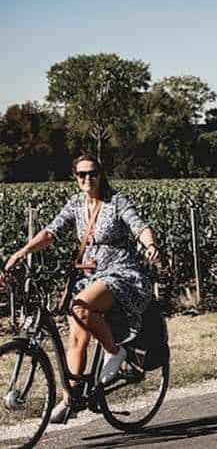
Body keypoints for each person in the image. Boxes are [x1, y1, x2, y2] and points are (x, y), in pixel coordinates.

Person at [2, 154, 159, 424]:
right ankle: (71, 400)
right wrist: (21, 253)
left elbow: (139, 226)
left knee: (80, 306)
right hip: (89, 276)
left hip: (121, 274)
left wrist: (150, 244)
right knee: (76, 335)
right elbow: (51, 232)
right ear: (75, 177)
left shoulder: (116, 202)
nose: (88, 178)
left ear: (101, 174)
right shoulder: (75, 204)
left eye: (93, 173)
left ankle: (115, 351)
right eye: (81, 174)